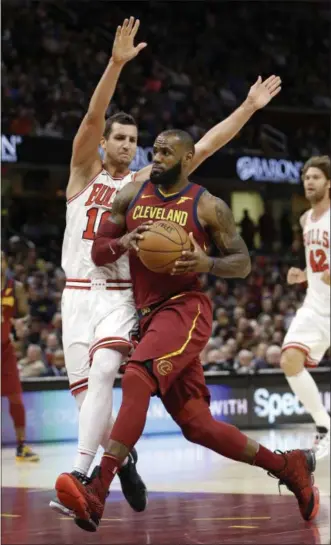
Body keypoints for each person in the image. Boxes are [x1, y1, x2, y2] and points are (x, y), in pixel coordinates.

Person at [52, 15, 282, 517]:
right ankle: (124, 459)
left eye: (134, 140)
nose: (127, 146)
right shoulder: (80, 175)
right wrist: (115, 66)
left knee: (111, 368)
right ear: (104, 144)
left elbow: (207, 144)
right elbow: (92, 119)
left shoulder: (144, 185)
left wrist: (246, 107)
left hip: (119, 294)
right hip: (75, 293)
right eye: (120, 139)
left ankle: (85, 476)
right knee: (86, 397)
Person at [55, 129, 319, 531]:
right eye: (155, 151)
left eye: (166, 152)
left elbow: (242, 262)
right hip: (146, 315)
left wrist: (206, 263)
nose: (156, 157)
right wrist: (123, 240)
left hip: (184, 309)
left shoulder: (208, 205)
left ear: (187, 156)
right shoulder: (129, 196)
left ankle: (97, 487)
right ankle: (289, 466)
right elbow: (98, 250)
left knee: (137, 375)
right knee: (198, 425)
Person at [281, 155, 330, 459]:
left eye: (315, 177)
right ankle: (325, 427)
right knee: (289, 360)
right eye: (306, 177)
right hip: (316, 305)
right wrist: (303, 276)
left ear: (329, 183)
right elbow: (318, 262)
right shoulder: (304, 220)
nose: (309, 182)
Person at [1, 251, 39, 462]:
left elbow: (24, 315)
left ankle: (22, 446)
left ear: (6, 262)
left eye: (1, 259)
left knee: (16, 398)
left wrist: (20, 324)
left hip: (5, 350)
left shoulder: (14, 287)